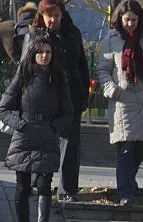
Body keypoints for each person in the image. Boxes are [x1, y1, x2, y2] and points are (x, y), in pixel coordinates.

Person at [96, 0, 143, 206]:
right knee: (126, 149)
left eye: (134, 20)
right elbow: (102, 69)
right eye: (127, 19)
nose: (130, 24)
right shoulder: (111, 40)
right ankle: (126, 193)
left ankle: (129, 183)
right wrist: (111, 88)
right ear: (120, 19)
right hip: (123, 102)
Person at [0, 32, 72, 222]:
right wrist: (20, 124)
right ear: (32, 54)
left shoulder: (58, 78)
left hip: (47, 136)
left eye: (48, 52)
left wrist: (53, 128)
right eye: (40, 52)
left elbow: (68, 112)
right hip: (24, 135)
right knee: (22, 186)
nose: (44, 56)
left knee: (43, 185)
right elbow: (4, 107)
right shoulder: (24, 75)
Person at [22, 0, 90, 202]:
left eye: (57, 15)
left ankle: (68, 189)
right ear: (42, 15)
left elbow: (82, 66)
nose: (53, 20)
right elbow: (25, 69)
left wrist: (84, 93)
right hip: (44, 96)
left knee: (71, 145)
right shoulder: (34, 35)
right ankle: (36, 183)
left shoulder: (72, 33)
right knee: (41, 142)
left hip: (71, 96)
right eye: (49, 15)